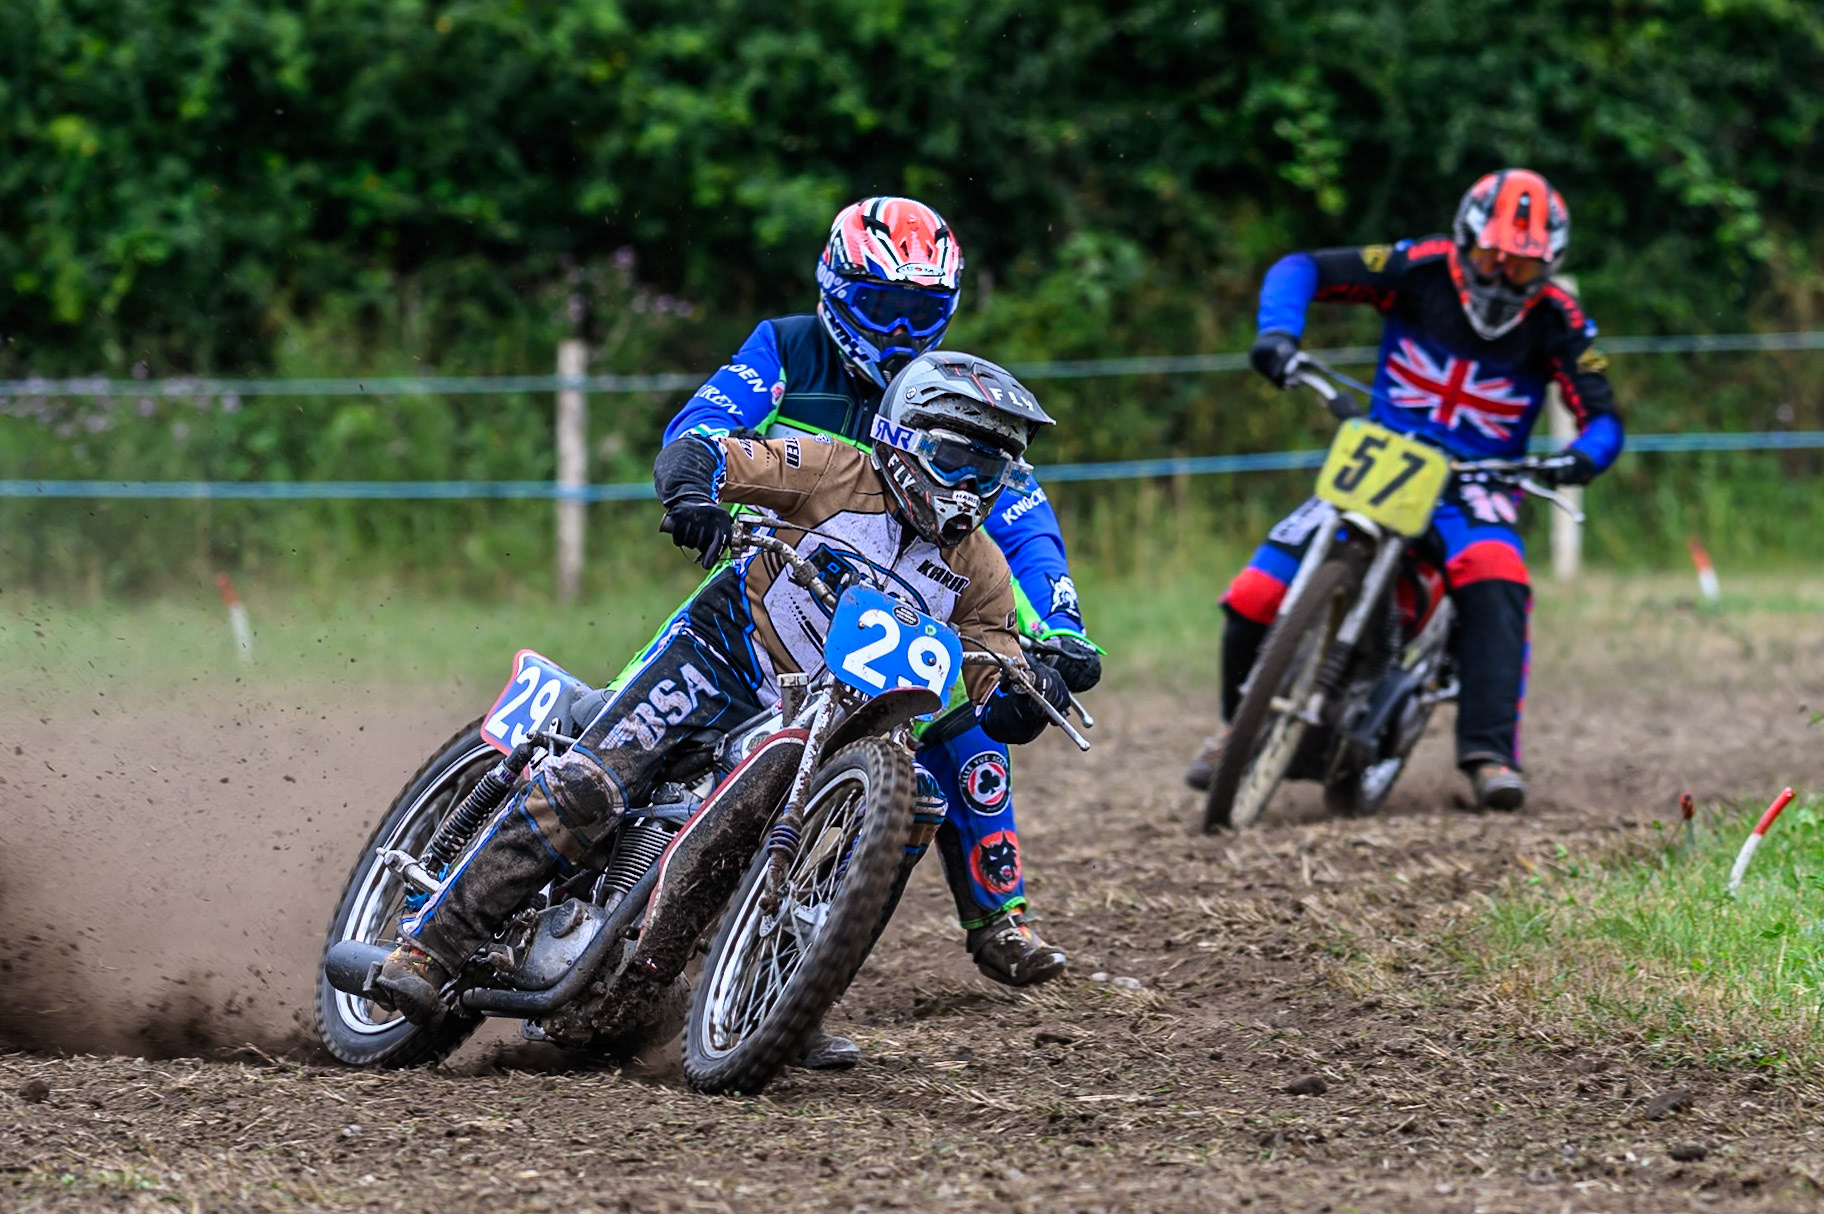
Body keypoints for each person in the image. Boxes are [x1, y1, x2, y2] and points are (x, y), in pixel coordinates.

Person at [374, 351, 1076, 1031]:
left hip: (830, 722)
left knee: (891, 818)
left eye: (988, 468)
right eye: (954, 459)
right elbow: (711, 453)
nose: (966, 486)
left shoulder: (980, 568)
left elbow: (997, 676)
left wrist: (1026, 690)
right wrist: (694, 495)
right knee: (592, 785)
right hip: (725, 655)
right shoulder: (832, 468)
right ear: (902, 439)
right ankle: (431, 947)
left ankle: (784, 1002)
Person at [663, 197, 1103, 994]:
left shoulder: (953, 391)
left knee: (961, 732)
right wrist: (701, 492)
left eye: (921, 313)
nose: (900, 334)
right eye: (881, 308)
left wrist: (1063, 623)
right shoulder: (788, 346)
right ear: (835, 289)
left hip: (898, 605)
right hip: (776, 577)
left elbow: (1022, 521)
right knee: (659, 699)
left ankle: (981, 919)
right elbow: (707, 422)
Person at [1186, 169, 1624, 811]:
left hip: (1479, 480)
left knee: (1494, 568)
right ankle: (1236, 729)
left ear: (1549, 267)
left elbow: (1604, 417)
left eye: (1523, 269)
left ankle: (1489, 753)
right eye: (1490, 258)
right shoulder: (1419, 267)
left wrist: (1578, 459)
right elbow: (1301, 265)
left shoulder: (1560, 318)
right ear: (1464, 240)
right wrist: (1278, 333)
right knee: (1255, 593)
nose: (1501, 278)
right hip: (1382, 459)